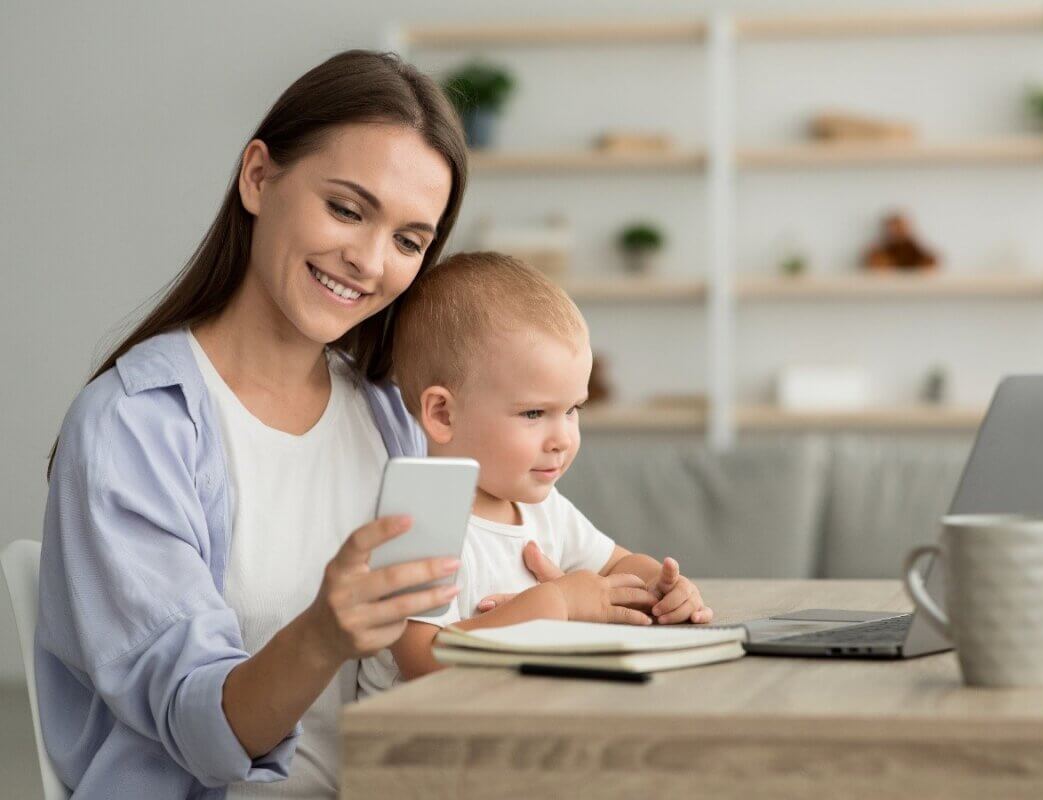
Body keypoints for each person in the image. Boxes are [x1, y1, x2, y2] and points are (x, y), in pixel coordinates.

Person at [38, 50, 470, 798]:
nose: (369, 261)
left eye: (408, 240)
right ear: (259, 178)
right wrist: (322, 634)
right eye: (346, 208)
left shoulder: (390, 416)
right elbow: (197, 726)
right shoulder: (135, 426)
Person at [361, 251, 714, 685]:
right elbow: (423, 658)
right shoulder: (414, 520)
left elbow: (614, 566)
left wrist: (659, 589)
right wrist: (558, 604)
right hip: (414, 747)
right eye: (533, 414)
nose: (562, 438)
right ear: (443, 415)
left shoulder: (543, 508)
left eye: (572, 410)